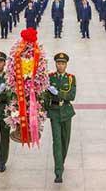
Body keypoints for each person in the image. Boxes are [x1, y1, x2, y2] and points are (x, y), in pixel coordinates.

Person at [45, 52, 76, 184]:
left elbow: (71, 96)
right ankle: (58, 172)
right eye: (58, 63)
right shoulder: (49, 77)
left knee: (65, 140)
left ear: (66, 64)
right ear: (55, 64)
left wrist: (59, 93)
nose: (60, 65)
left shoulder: (70, 78)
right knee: (57, 141)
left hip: (66, 111)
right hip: (54, 112)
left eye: (63, 63)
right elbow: (45, 95)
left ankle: (60, 161)